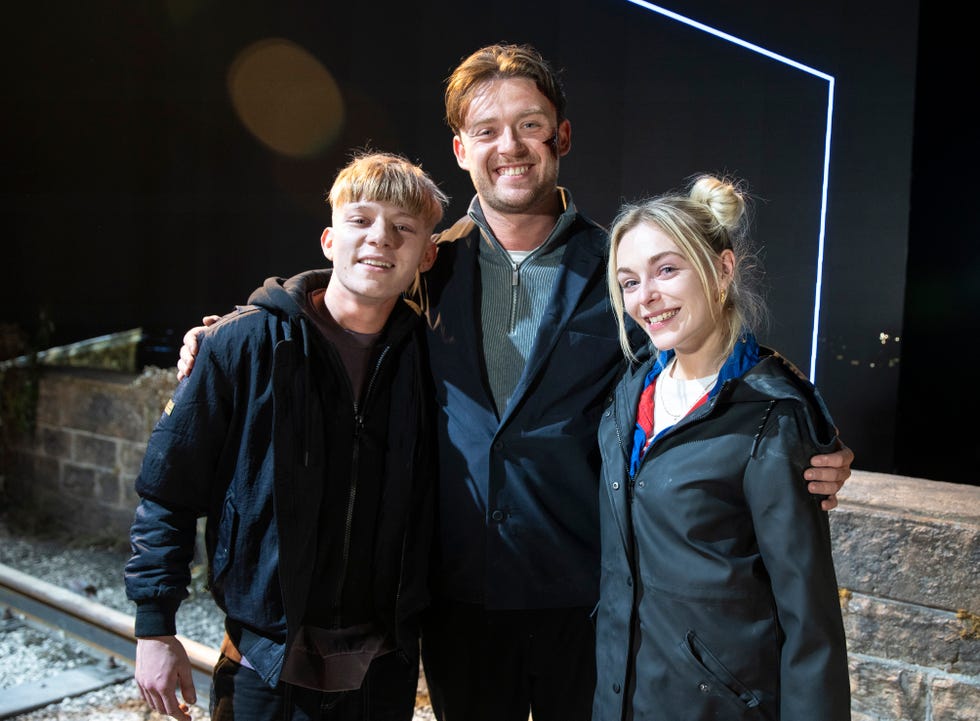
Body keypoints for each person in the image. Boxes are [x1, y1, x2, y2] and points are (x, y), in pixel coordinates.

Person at [176, 44, 854, 721]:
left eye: (530, 124)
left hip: (585, 601)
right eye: (488, 130)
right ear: (462, 148)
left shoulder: (615, 263)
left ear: (561, 135)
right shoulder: (427, 263)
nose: (511, 146)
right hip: (457, 601)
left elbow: (710, 343)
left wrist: (805, 413)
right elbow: (341, 292)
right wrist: (229, 331)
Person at [124, 151, 449, 721]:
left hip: (383, 665)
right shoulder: (242, 345)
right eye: (361, 220)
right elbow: (168, 491)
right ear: (329, 240)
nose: (380, 239)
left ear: (426, 255)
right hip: (263, 660)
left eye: (403, 228)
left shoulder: (432, 363)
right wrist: (155, 628)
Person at [593, 174, 851, 719]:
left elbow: (810, 622)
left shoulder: (771, 419)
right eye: (630, 281)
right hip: (625, 697)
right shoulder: (628, 395)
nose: (647, 297)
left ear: (722, 269)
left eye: (667, 270)